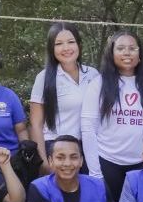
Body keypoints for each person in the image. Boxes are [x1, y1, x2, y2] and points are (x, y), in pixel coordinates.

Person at [82, 30, 143, 202]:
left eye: (132, 48)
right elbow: (88, 129)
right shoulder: (98, 84)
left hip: (141, 164)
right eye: (120, 48)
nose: (127, 53)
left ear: (140, 54)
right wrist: (95, 172)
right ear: (111, 54)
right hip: (107, 162)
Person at [30, 23, 98, 167]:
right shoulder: (43, 78)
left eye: (71, 42)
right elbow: (36, 124)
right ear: (51, 48)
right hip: (56, 148)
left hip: (87, 147)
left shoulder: (93, 74)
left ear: (79, 44)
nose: (66, 48)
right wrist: (43, 163)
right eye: (59, 44)